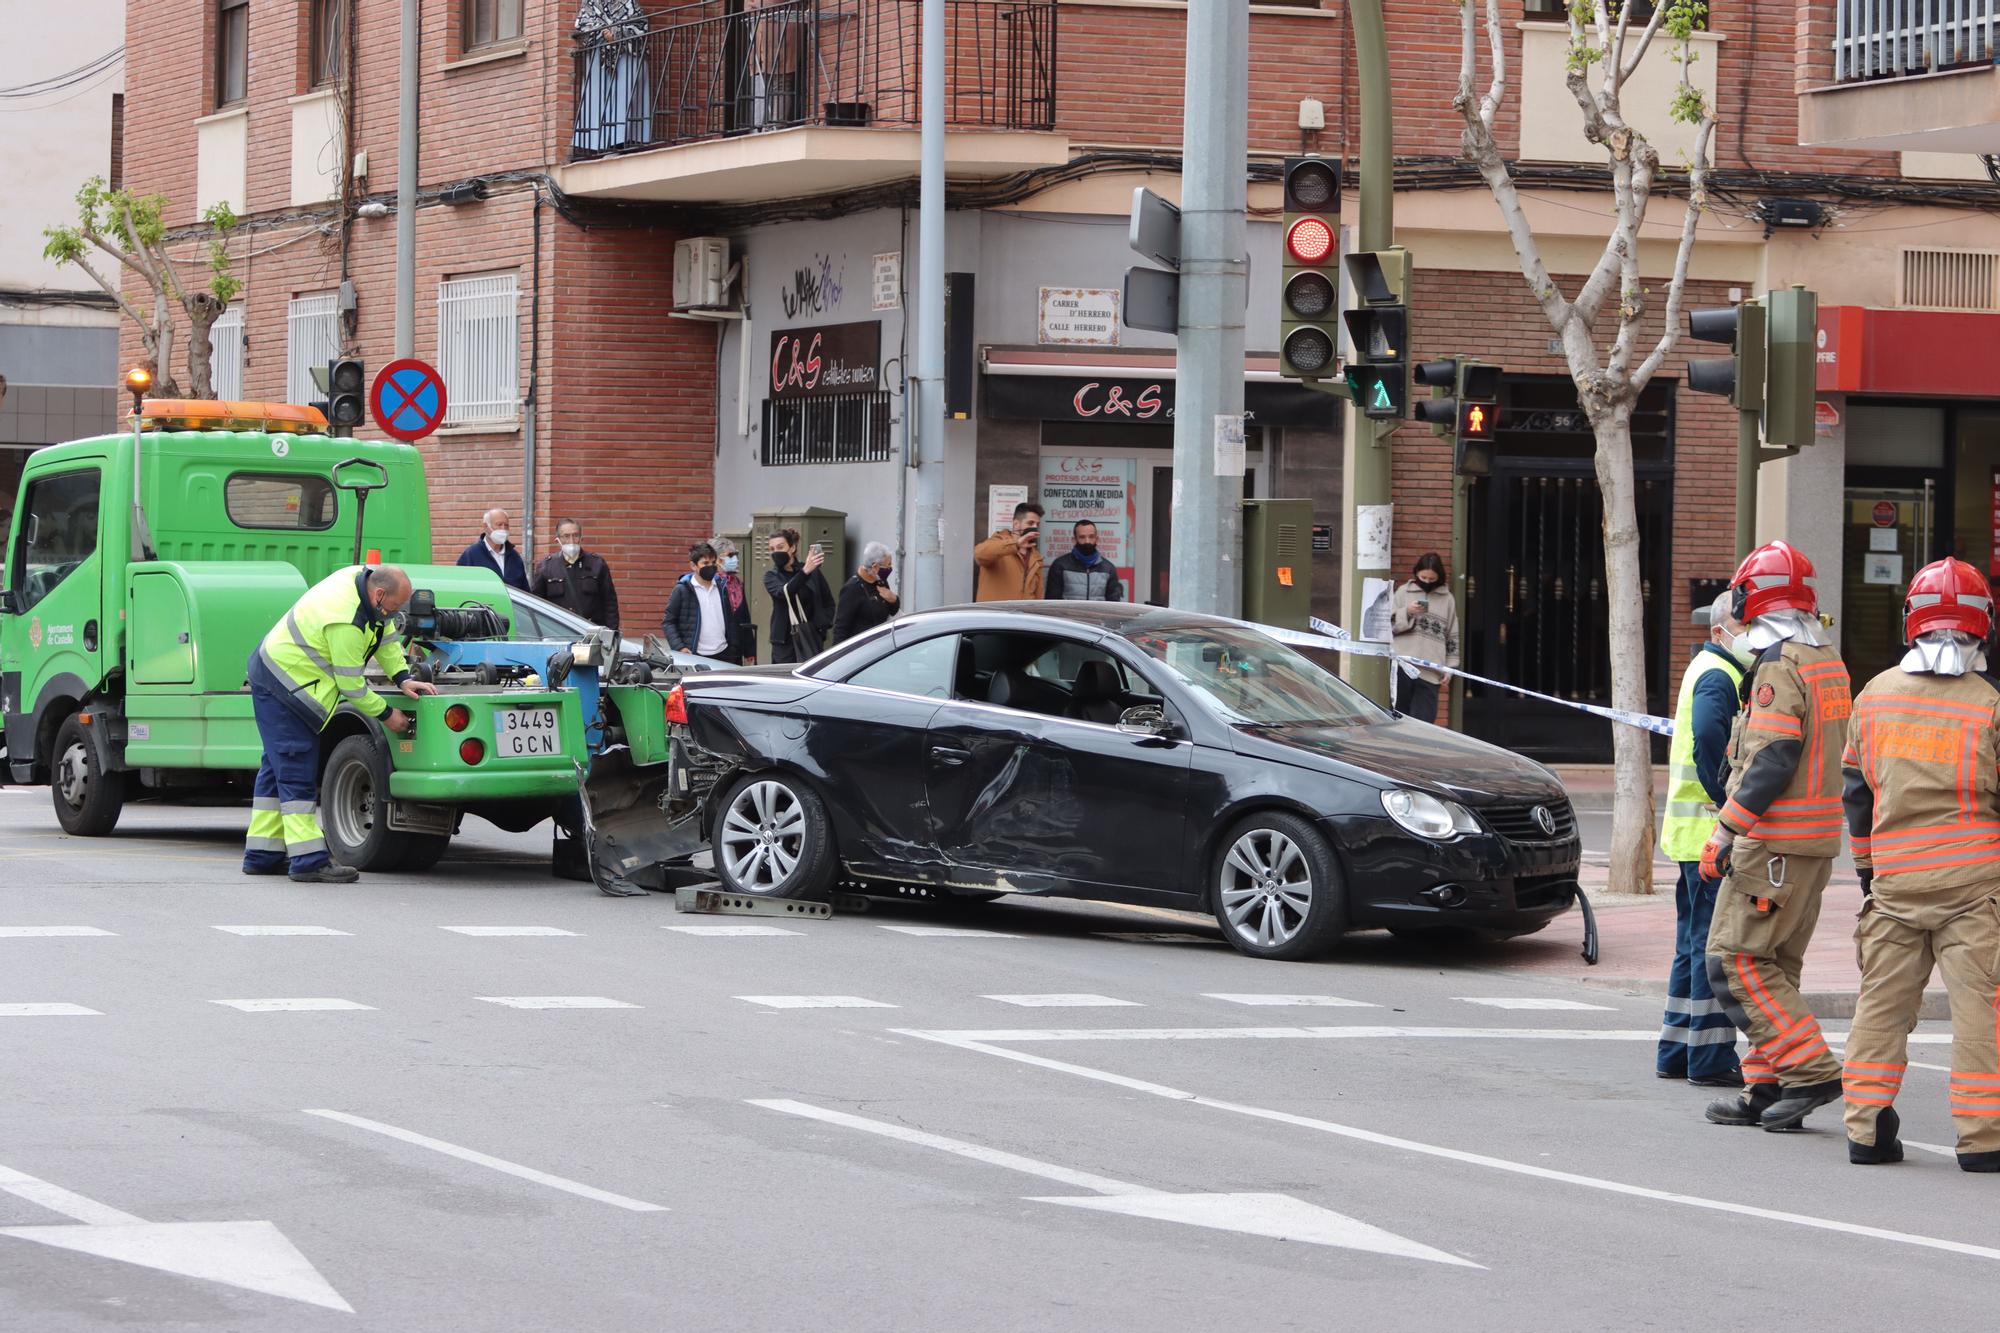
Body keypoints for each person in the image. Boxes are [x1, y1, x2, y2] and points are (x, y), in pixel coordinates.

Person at [1839, 557, 2000, 1172]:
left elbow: (1856, 790)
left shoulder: (1875, 697)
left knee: (1880, 1010)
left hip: (1895, 887)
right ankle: (1983, 1141)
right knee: (1979, 1015)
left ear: (1912, 622)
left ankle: (1867, 1132)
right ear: (1983, 625)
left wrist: (1868, 869)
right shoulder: (1988, 705)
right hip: (1974, 891)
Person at [1700, 540, 1851, 1133]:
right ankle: (1767, 1085)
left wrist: (1725, 830)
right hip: (1811, 846)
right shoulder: (1826, 659)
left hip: (1775, 844)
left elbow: (1773, 756)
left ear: (1748, 599)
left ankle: (1809, 1070)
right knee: (1777, 967)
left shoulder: (1779, 666)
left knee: (1735, 963)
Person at [243, 564, 436, 883]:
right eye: (393, 607)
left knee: (275, 766)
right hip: (283, 683)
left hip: (284, 678)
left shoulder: (366, 591)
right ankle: (308, 860)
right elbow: (351, 685)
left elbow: (385, 639)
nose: (395, 613)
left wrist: (403, 678)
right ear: (378, 595)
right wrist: (388, 715)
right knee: (294, 767)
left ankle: (262, 855)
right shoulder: (345, 617)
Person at [1654, 591, 1750, 1088]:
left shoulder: (1707, 669)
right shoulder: (1721, 675)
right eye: (1743, 621)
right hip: (1711, 836)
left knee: (1691, 947)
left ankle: (1676, 1049)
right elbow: (1712, 742)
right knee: (1712, 951)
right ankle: (1709, 1058)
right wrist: (1733, 806)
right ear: (1719, 630)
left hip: (1692, 837)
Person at [1389, 553, 1460, 725]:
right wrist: (1407, 611)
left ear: (1439, 577)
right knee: (1399, 717)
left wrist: (1450, 667)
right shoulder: (1403, 592)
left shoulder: (1447, 599)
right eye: (1423, 577)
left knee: (1424, 721)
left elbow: (1452, 633)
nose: (1427, 581)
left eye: (1432, 578)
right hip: (1402, 666)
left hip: (1430, 669)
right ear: (1416, 573)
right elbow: (1388, 627)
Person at [663, 542, 751, 664]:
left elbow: (733, 620)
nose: (710, 567)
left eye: (713, 563)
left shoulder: (723, 587)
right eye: (705, 563)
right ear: (693, 566)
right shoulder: (682, 590)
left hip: (725, 654)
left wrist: (735, 648)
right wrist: (679, 647)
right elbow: (669, 621)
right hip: (695, 655)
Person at [528, 517, 620, 631]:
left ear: (581, 538)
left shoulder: (597, 564)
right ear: (558, 540)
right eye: (566, 536)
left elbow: (609, 602)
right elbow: (536, 604)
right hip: (558, 632)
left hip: (592, 633)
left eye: (575, 535)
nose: (571, 541)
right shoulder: (546, 566)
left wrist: (612, 633)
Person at [765, 528, 833, 664]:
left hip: (810, 637)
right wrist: (805, 571)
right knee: (785, 680)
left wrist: (821, 629)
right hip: (784, 642)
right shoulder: (771, 576)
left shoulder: (812, 572)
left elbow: (828, 601)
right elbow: (784, 593)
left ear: (792, 548)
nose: (776, 552)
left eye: (780, 547)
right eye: (772, 549)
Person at [975, 501, 1044, 602]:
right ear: (1016, 524)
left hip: (1024, 615)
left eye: (1037, 524)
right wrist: (1015, 544)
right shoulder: (998, 542)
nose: (1034, 527)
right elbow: (979, 554)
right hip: (996, 615)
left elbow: (1038, 596)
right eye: (1030, 523)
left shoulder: (1036, 557)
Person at [832, 541, 898, 643]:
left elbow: (893, 611)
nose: (890, 568)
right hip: (860, 649)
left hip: (880, 644)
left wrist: (894, 600)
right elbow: (841, 628)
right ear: (875, 566)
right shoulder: (852, 588)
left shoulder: (881, 582)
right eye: (888, 565)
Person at [1044, 520, 1125, 602]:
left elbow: (1114, 604)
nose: (1087, 541)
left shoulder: (1108, 568)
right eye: (1082, 537)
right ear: (1074, 540)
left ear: (1096, 539)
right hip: (1068, 615)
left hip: (1098, 615)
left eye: (1091, 537)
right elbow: (1052, 604)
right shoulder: (1060, 565)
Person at [456, 507, 528, 591]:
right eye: (499, 524)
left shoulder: (514, 557)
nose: (503, 529)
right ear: (486, 526)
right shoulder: (471, 555)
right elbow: (461, 588)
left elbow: (525, 591)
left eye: (506, 525)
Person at [710, 535, 756, 663]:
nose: (734, 559)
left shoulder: (737, 583)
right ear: (717, 559)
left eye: (735, 555)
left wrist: (749, 650)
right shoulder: (710, 583)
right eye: (730, 556)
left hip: (735, 648)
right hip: (715, 648)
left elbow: (744, 616)